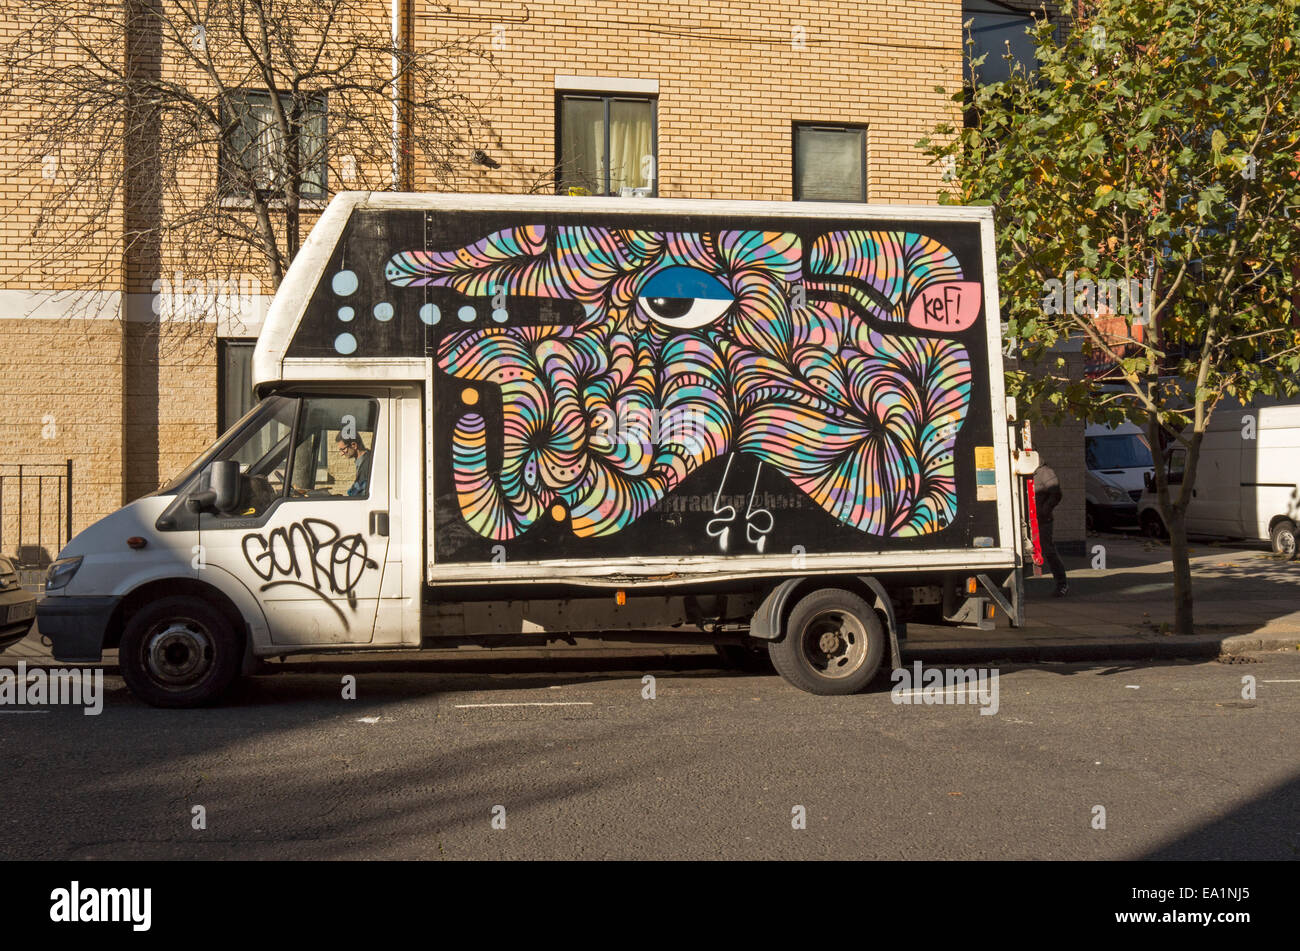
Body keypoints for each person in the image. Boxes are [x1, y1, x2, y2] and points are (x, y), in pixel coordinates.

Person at [1033, 461, 1068, 597]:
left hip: (1042, 520)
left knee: (1048, 550)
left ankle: (1062, 583)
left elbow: (1056, 493)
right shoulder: (1029, 472)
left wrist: (1044, 510)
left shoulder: (1044, 472)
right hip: (1030, 519)